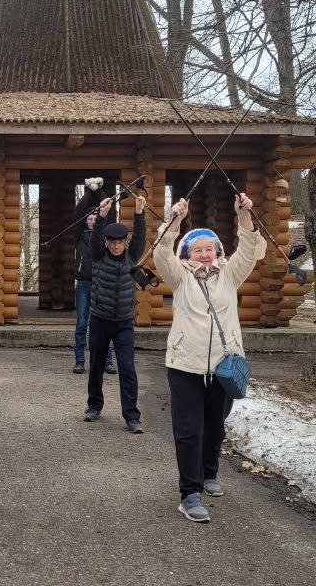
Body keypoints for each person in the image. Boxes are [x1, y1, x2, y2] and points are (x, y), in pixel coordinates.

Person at [154, 194, 265, 523]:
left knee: (215, 426)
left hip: (223, 366)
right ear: (187, 254)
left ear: (218, 252)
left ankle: (209, 471)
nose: (204, 254)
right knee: (189, 430)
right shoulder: (180, 276)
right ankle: (189, 493)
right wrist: (174, 221)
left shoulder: (231, 275)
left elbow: (248, 249)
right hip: (184, 366)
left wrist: (243, 215)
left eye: (209, 248)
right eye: (196, 249)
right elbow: (161, 251)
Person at [82, 193, 146, 433]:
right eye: (113, 242)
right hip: (99, 319)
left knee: (128, 368)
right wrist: (102, 214)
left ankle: (132, 416)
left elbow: (140, 236)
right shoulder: (98, 254)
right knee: (96, 365)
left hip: (123, 323)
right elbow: (96, 235)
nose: (117, 245)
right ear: (107, 242)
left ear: (125, 242)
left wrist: (139, 212)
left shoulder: (132, 255)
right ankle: (94, 406)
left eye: (120, 242)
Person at [73, 177, 115, 375]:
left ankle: (107, 362)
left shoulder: (106, 235)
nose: (91, 221)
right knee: (82, 323)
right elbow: (79, 211)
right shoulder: (79, 235)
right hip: (83, 284)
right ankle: (80, 361)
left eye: (94, 219)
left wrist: (99, 190)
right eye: (89, 219)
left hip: (102, 283)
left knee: (104, 323)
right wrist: (89, 191)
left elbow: (109, 209)